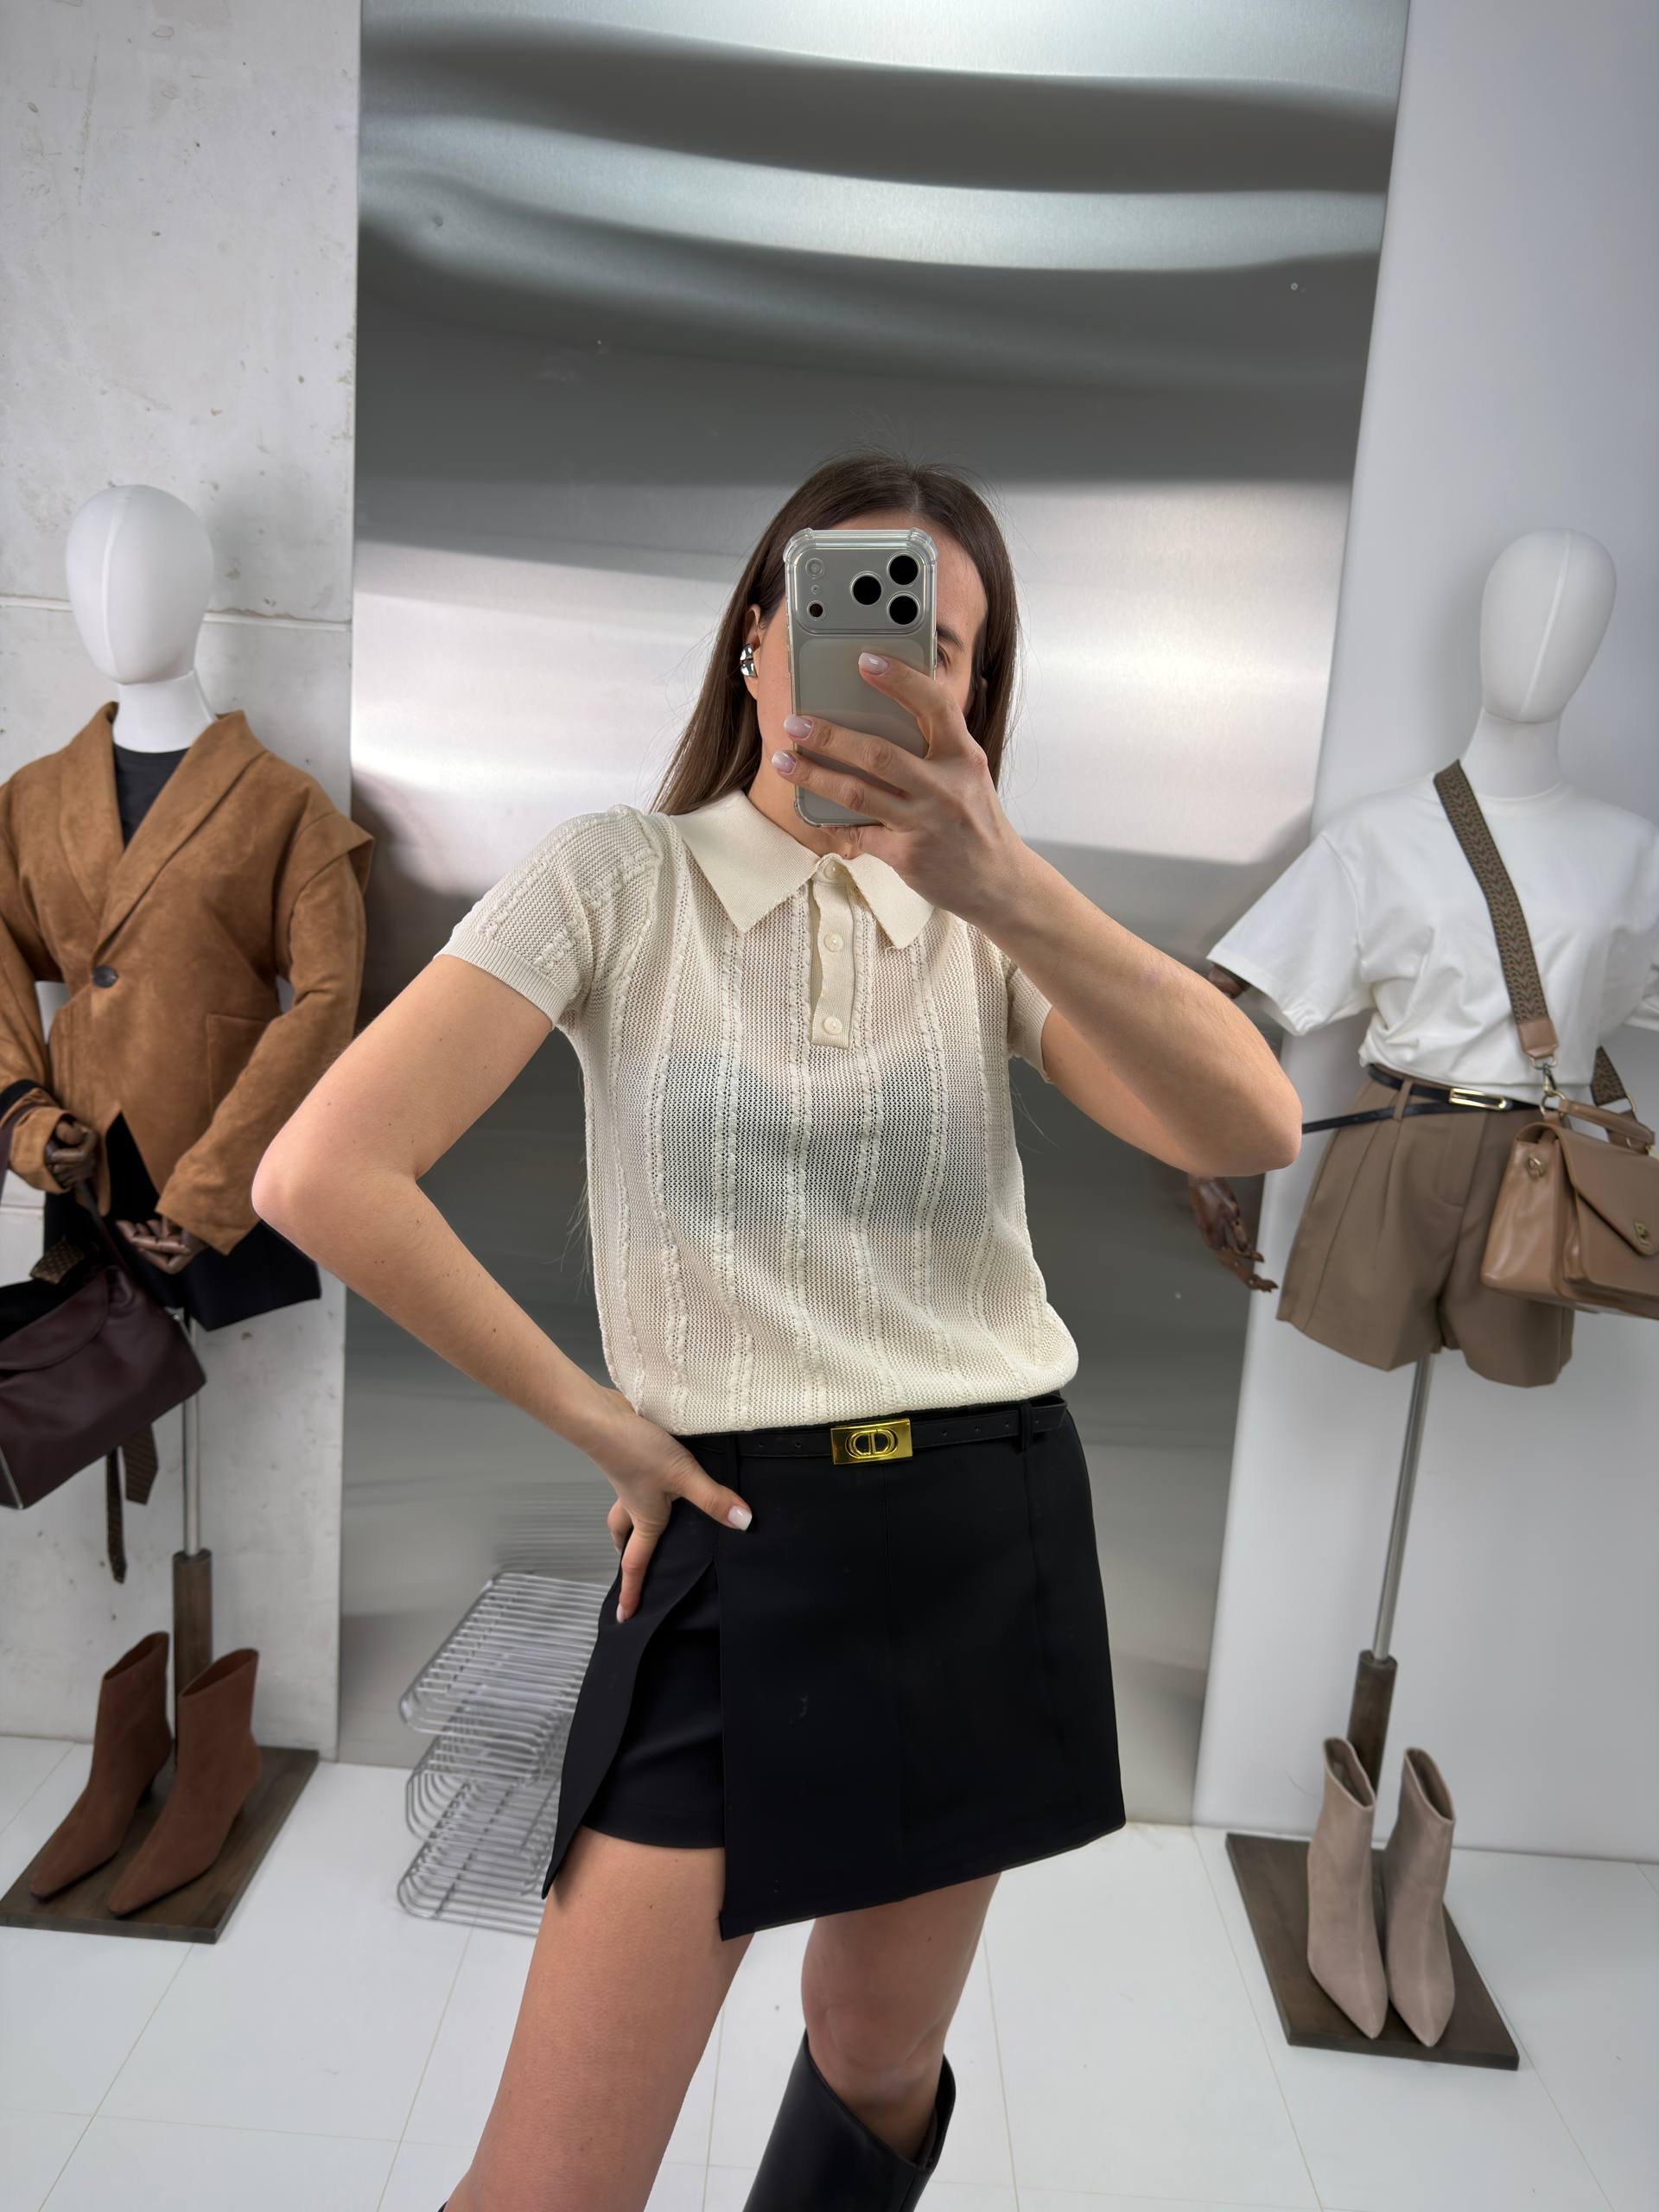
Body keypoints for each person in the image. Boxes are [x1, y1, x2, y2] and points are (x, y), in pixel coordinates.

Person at [253, 449, 1301, 2212]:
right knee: (548, 2187)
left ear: (977, 700)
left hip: (985, 1528)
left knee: (877, 2060)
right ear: (758, 639)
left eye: (940, 647)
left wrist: (1003, 880)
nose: (891, 666)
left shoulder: (986, 930)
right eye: (850, 617)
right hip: (736, 1540)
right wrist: (608, 1425)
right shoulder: (615, 878)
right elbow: (321, 1171)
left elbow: (1249, 1123)